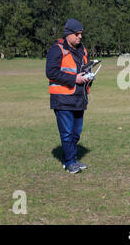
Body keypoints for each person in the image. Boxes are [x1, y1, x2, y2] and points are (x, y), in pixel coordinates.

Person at [46, 18, 91, 174]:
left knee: (76, 133)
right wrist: (74, 79)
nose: (80, 37)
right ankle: (70, 162)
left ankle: (72, 159)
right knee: (67, 133)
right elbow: (51, 72)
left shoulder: (83, 50)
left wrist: (89, 76)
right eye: (77, 34)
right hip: (62, 99)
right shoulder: (57, 49)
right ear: (68, 34)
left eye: (81, 34)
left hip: (79, 98)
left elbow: (84, 67)